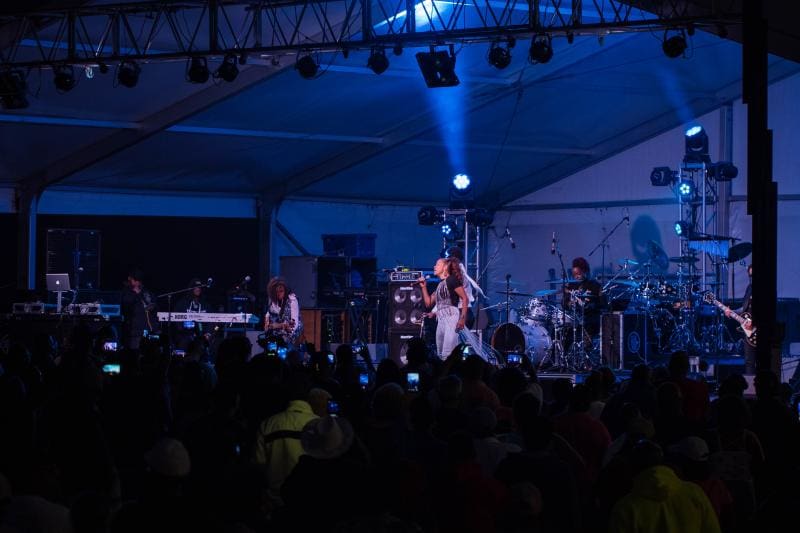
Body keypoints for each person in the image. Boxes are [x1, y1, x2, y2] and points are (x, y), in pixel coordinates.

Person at [418, 257, 469, 359]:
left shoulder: (451, 280)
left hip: (451, 317)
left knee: (447, 353)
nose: (434, 266)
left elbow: (465, 298)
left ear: (445, 267)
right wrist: (423, 287)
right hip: (441, 320)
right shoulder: (439, 285)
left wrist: (462, 319)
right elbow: (428, 303)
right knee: (440, 353)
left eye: (437, 264)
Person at [725, 263, 754, 374]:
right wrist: (732, 312)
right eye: (750, 276)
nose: (751, 278)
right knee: (749, 361)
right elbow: (744, 308)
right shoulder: (749, 288)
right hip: (748, 331)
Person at [563, 257, 603, 337]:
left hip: (589, 319)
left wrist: (590, 305)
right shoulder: (571, 285)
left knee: (588, 324)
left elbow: (602, 303)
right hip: (573, 318)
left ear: (585, 271)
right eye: (574, 275)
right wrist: (569, 303)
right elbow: (563, 302)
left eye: (579, 274)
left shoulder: (594, 285)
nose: (576, 277)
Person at [120, 268, 158, 350]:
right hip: (135, 332)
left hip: (149, 330)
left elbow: (153, 304)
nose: (137, 282)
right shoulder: (127, 293)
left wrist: (152, 306)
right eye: (135, 280)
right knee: (135, 352)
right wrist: (136, 294)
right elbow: (126, 305)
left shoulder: (147, 292)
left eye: (139, 280)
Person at [264, 276, 303, 346]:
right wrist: (274, 326)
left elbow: (295, 323)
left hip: (290, 335)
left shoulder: (292, 300)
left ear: (285, 290)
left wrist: (288, 336)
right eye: (276, 291)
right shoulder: (271, 302)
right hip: (275, 335)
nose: (278, 294)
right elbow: (267, 323)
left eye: (281, 291)